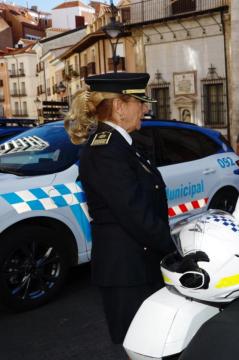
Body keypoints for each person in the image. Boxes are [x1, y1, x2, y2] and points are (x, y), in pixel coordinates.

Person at [63, 72, 175, 344]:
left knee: (150, 341)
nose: (146, 108)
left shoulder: (122, 145)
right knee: (138, 343)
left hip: (138, 261)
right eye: (140, 102)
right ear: (119, 107)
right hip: (126, 270)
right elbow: (134, 213)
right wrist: (175, 250)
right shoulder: (106, 149)